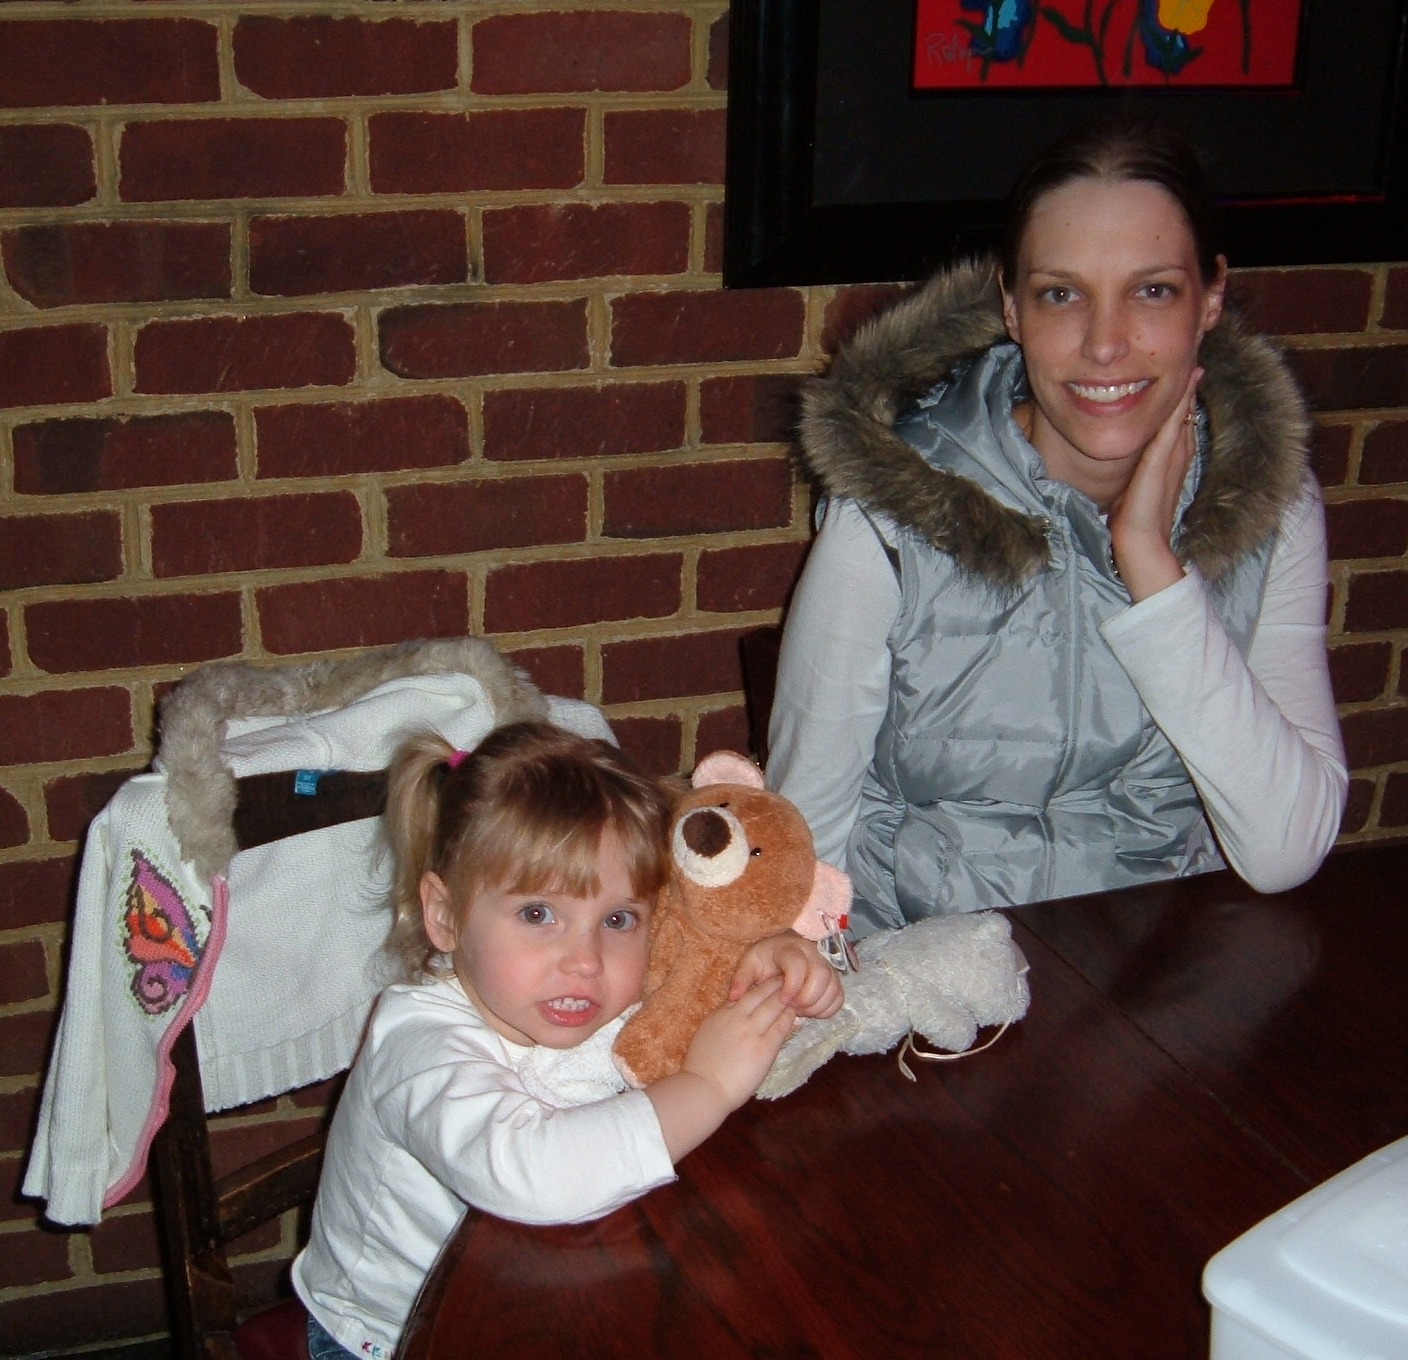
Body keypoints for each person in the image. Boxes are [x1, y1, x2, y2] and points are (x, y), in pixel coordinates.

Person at [767, 115, 1347, 934]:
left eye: (1152, 290)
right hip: (930, 979)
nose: (1105, 344)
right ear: (1011, 306)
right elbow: (803, 862)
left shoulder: (1271, 505)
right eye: (1061, 294)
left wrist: (1152, 567)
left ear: (1211, 298)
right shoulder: (891, 516)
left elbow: (1287, 849)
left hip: (1163, 983)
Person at [293, 720, 842, 1359]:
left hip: (550, 1274)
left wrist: (773, 954)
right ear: (445, 916)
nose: (585, 960)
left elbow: (697, 956)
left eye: (617, 918)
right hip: (388, 1335)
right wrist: (707, 1086)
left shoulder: (570, 986)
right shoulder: (416, 1048)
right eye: (537, 914)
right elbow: (531, 1171)